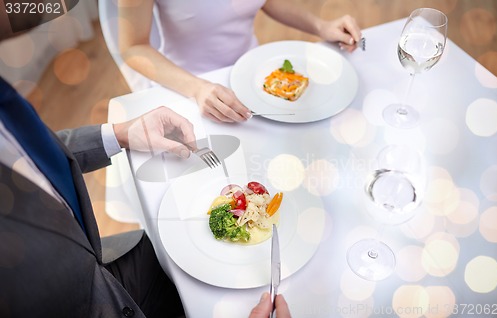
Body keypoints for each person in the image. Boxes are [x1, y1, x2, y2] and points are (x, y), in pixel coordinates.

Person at [0, 4, 291, 317]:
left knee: (178, 268)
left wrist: (120, 134)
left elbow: (27, 156)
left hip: (101, 262)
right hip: (78, 303)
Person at [118, 0, 362, 123]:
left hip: (254, 78)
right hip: (187, 88)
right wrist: (197, 88)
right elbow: (132, 48)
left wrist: (321, 26)